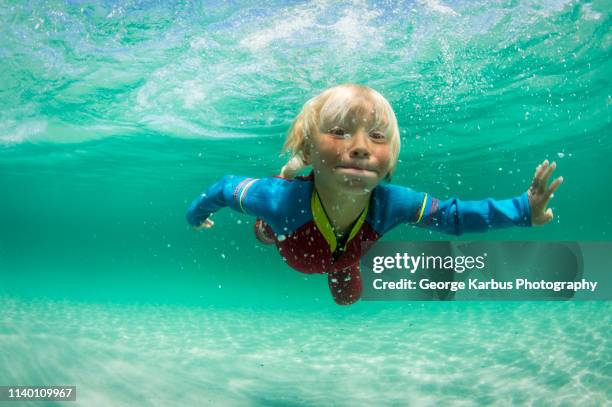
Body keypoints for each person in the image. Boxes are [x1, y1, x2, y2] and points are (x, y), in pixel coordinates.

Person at [186, 84, 563, 305]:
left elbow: (452, 216)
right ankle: (286, 185)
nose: (361, 147)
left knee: (347, 298)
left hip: (342, 254)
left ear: (390, 161)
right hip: (289, 234)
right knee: (267, 229)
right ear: (309, 147)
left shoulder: (391, 202)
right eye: (339, 131)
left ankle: (340, 258)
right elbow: (223, 188)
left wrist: (523, 209)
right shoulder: (278, 200)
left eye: (377, 137)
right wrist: (195, 214)